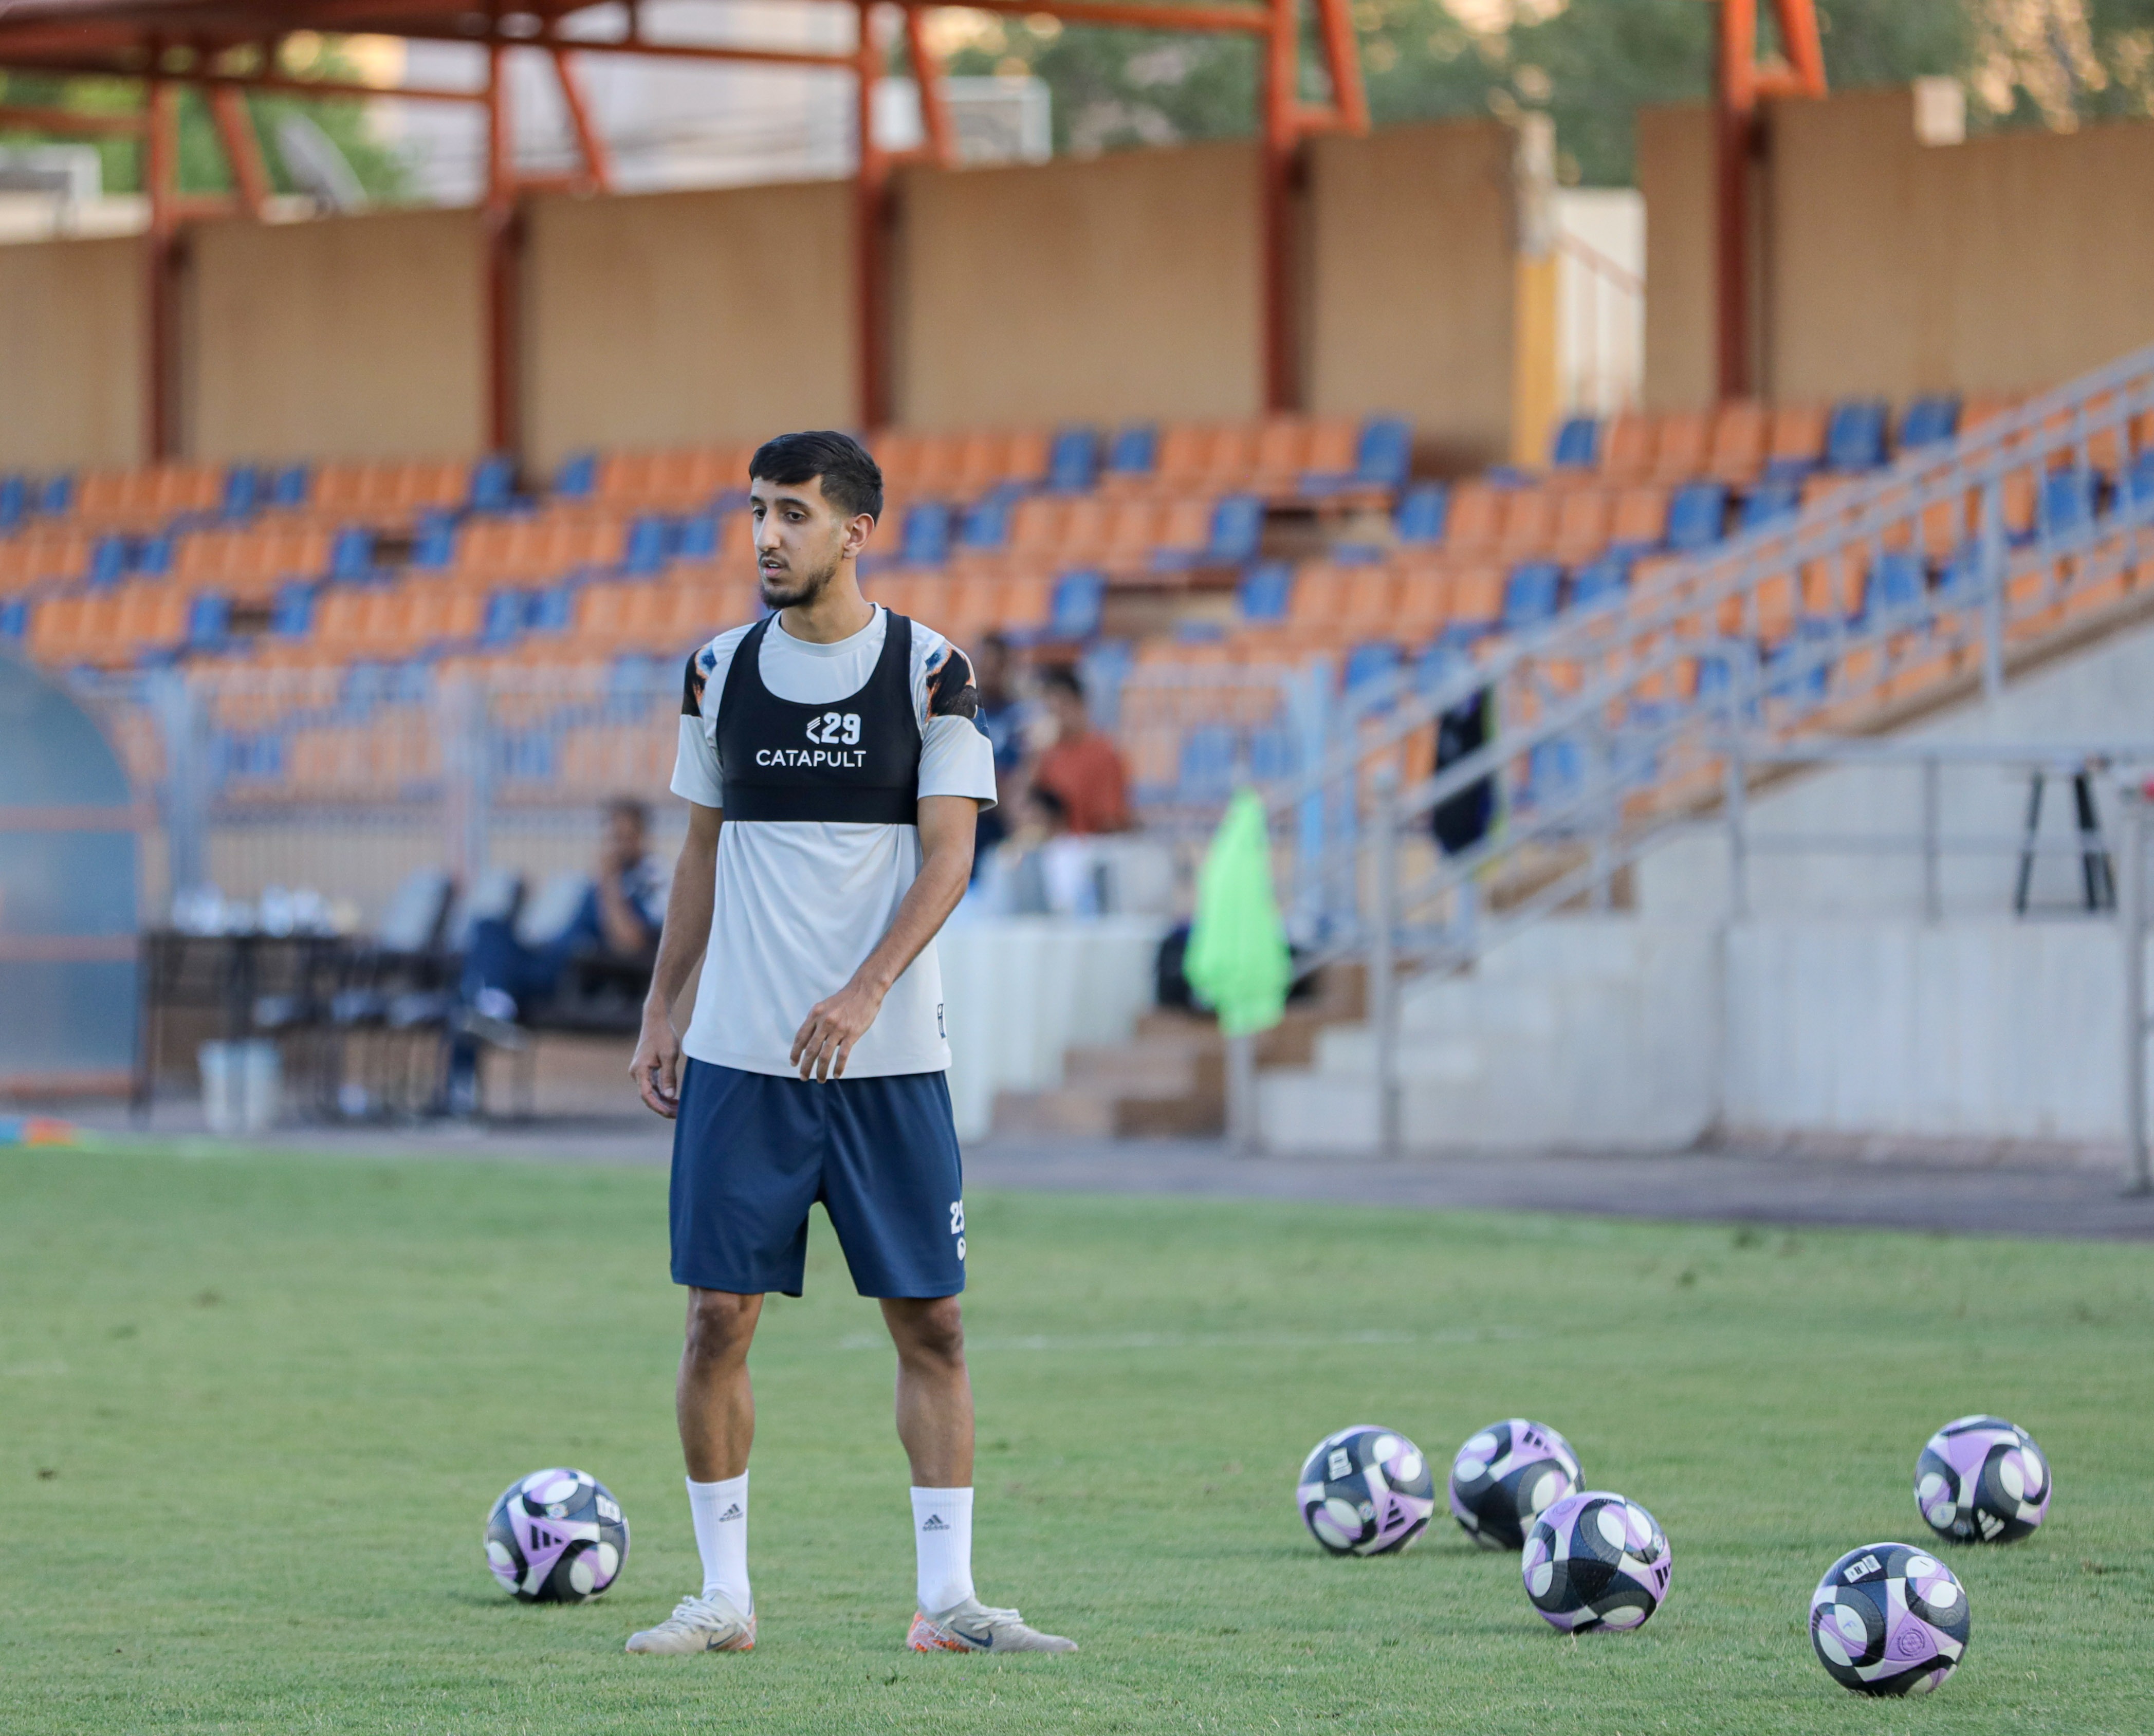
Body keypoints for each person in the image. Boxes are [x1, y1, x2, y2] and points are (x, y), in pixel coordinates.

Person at [625, 430, 1075, 1659]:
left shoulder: (931, 671)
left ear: (854, 529)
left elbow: (948, 854)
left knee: (931, 1324)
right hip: (740, 1062)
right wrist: (663, 1006)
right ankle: (722, 1597)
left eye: (791, 514)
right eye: (754, 512)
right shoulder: (716, 670)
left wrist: (866, 989)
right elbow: (701, 854)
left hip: (886, 1067)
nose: (765, 536)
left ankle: (948, 1601)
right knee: (716, 1317)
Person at [1028, 664, 1131, 835]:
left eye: (1064, 707)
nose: (1059, 717)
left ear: (1080, 705)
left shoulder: (1103, 753)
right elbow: (1020, 809)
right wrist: (1034, 757)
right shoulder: (1046, 755)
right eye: (1052, 710)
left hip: (1087, 848)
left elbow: (1111, 820)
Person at [967, 632, 1025, 874]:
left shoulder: (1021, 717)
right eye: (983, 666)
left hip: (1002, 821)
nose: (987, 674)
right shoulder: (959, 715)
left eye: (994, 667)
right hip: (967, 818)